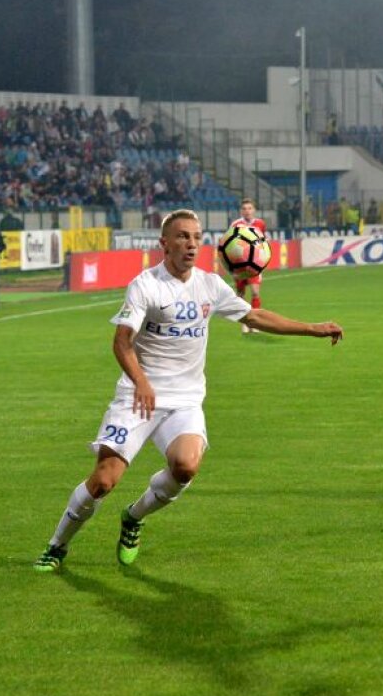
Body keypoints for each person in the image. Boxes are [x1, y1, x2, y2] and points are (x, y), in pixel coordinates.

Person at [33, 210, 343, 572]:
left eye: (196, 237)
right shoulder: (145, 285)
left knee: (186, 466)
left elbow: (255, 317)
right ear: (164, 244)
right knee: (103, 481)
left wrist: (313, 328)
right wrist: (142, 382)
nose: (191, 243)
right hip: (137, 398)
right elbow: (121, 343)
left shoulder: (210, 286)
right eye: (182, 236)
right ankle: (57, 546)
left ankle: (134, 517)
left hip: (184, 401)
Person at [229, 198, 267, 334]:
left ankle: (255, 323)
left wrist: (262, 261)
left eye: (249, 208)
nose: (247, 211)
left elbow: (263, 244)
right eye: (244, 209)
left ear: (254, 210)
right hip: (239, 266)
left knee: (255, 292)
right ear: (241, 211)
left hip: (254, 265)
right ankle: (245, 323)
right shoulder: (236, 225)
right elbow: (229, 245)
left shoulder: (260, 224)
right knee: (241, 294)